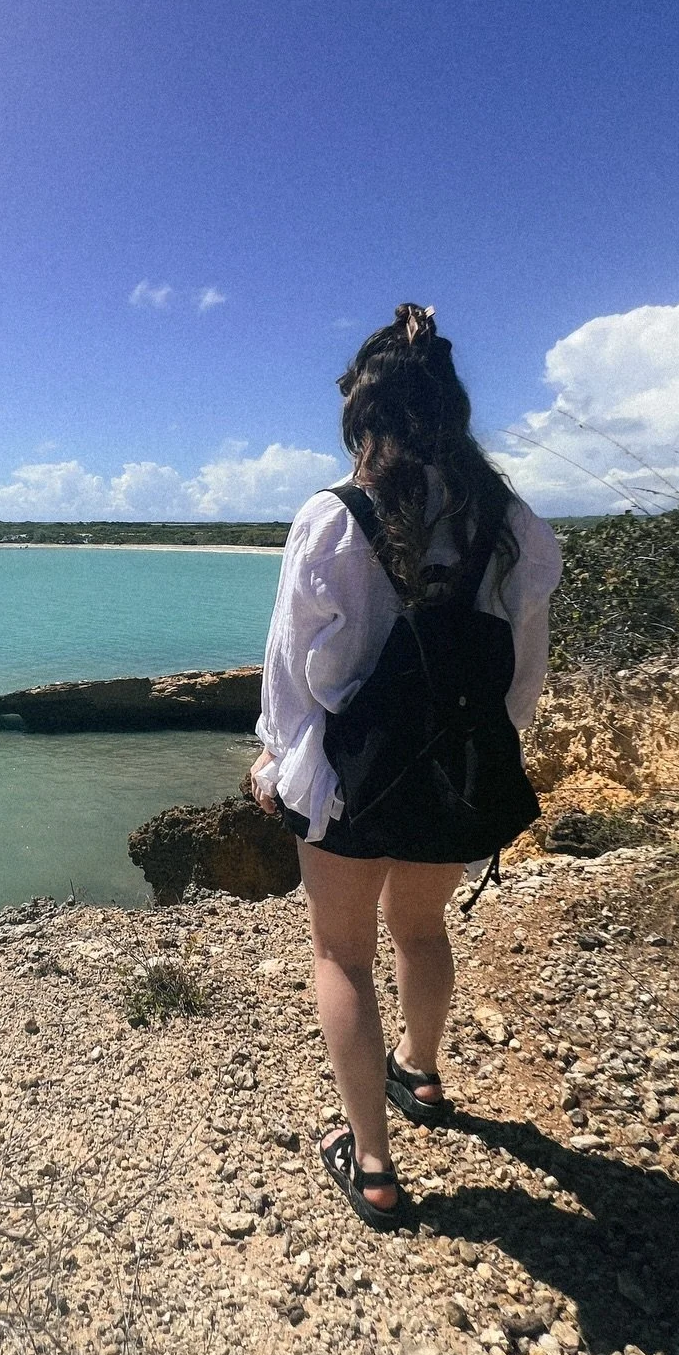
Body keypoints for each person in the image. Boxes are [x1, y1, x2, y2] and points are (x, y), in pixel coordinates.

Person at [249, 304, 562, 1229]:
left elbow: (295, 675)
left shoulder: (335, 519)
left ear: (365, 419)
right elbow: (522, 671)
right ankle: (422, 1076)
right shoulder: (515, 526)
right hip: (456, 771)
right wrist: (477, 756)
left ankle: (375, 1165)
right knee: (420, 932)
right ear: (452, 413)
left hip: (354, 783)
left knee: (340, 953)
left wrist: (277, 766)